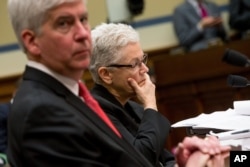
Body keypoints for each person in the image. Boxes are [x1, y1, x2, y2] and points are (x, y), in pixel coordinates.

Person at [6, 0, 158, 166]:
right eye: (64, 23)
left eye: (83, 19)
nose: (83, 34)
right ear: (32, 41)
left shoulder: (68, 94)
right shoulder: (42, 111)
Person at [89, 22, 231, 167]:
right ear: (106, 74)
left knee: (231, 158)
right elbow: (140, 160)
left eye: (143, 60)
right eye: (134, 64)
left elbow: (165, 159)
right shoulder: (95, 113)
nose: (145, 69)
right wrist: (150, 104)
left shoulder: (133, 107)